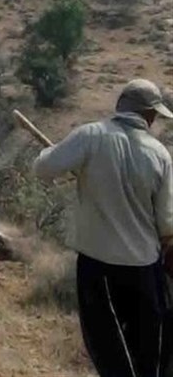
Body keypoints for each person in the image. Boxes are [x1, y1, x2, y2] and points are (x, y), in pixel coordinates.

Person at [33, 79, 173, 377]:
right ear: (148, 115)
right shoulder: (160, 154)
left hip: (98, 268)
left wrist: (59, 156)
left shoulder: (91, 136)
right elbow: (167, 223)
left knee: (108, 349)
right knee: (146, 353)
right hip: (145, 269)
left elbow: (43, 168)